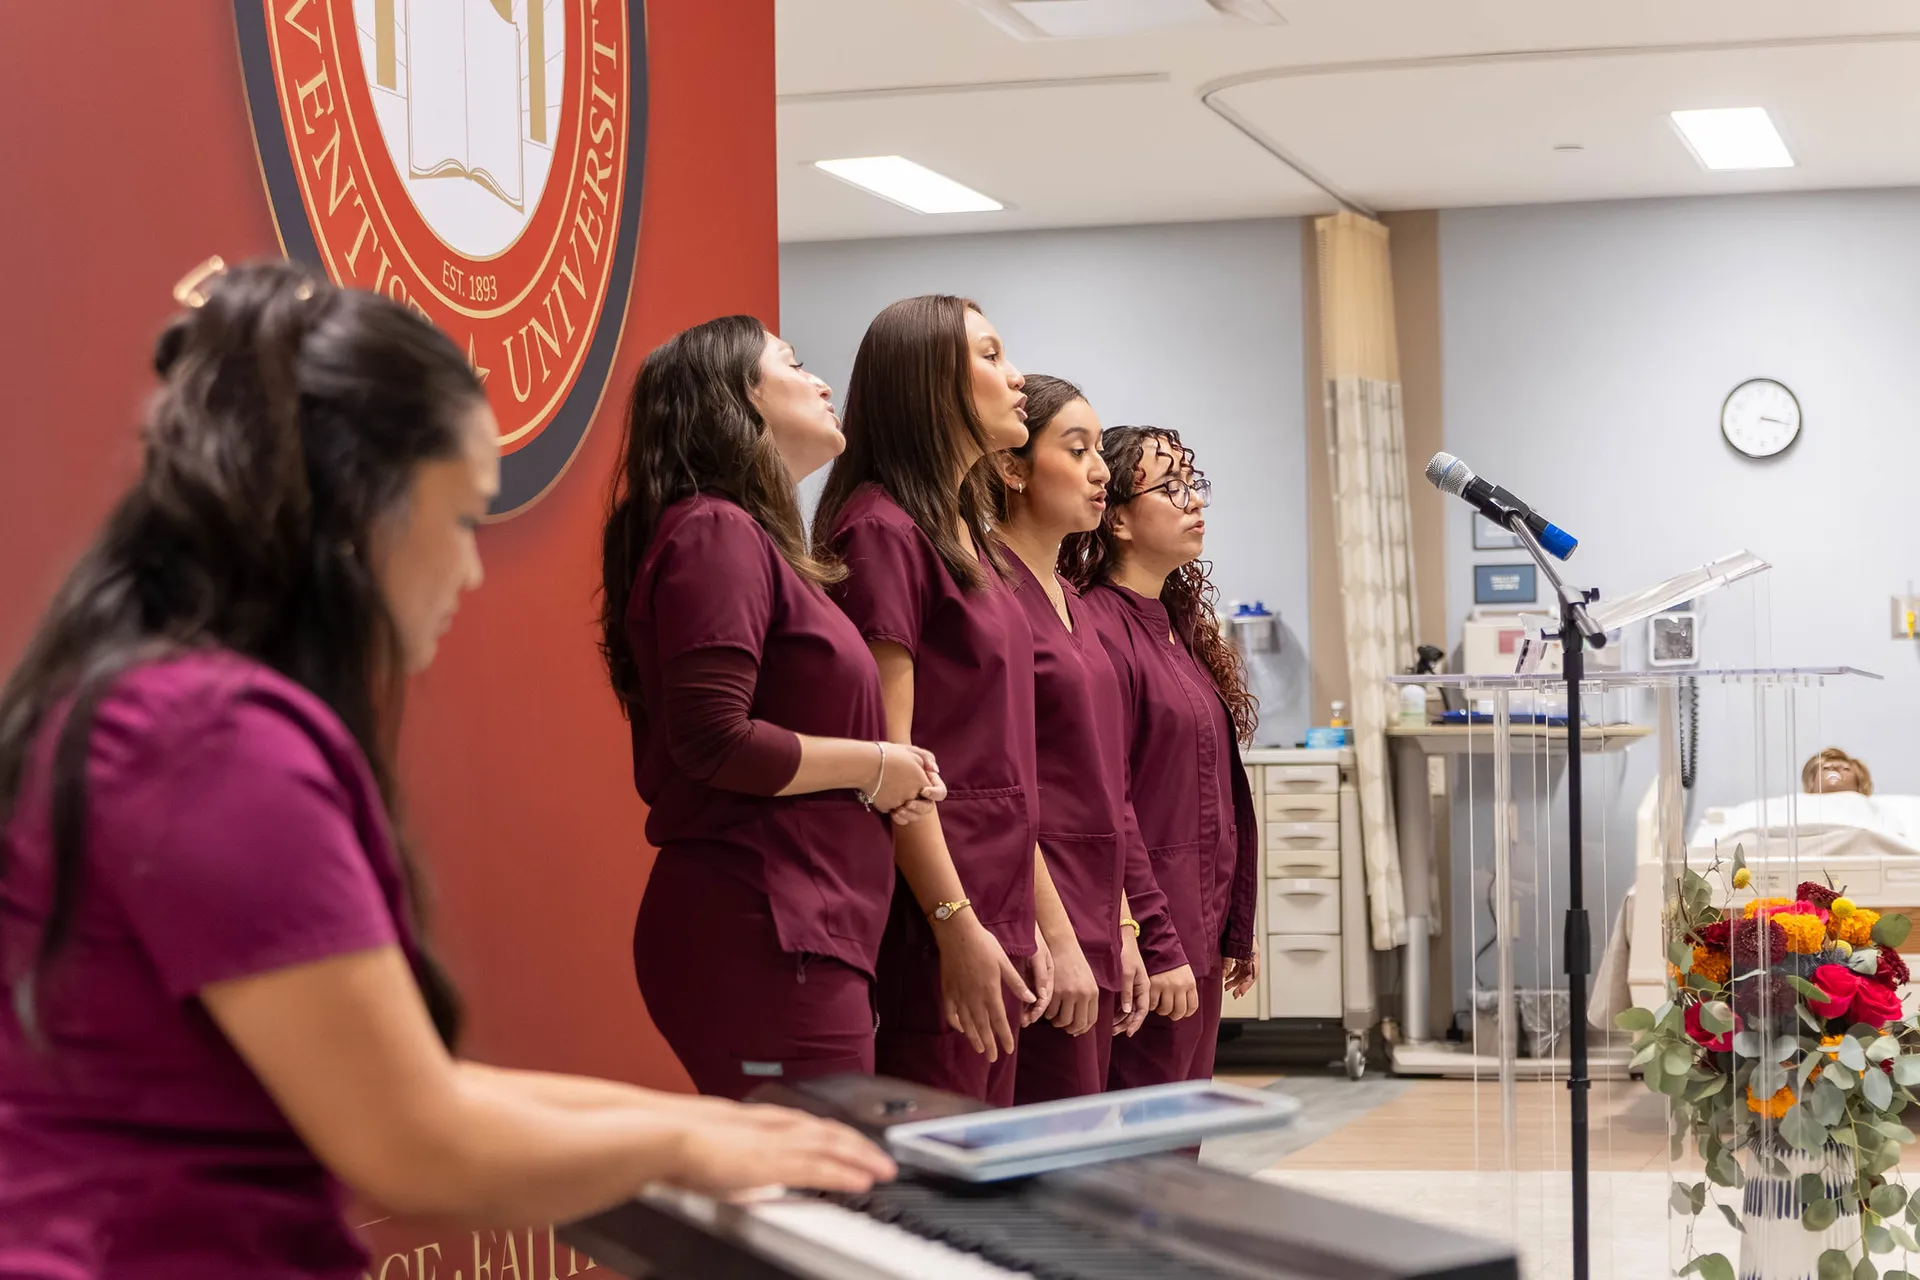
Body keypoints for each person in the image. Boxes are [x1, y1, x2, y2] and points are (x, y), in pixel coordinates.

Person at [0, 261, 892, 1280]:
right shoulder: (213, 743)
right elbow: (416, 1140)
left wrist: (700, 1128)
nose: (468, 568)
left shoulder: (164, 706)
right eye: (462, 517)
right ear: (359, 509)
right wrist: (686, 1143)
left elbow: (418, 1083)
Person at [600, 315, 946, 1099]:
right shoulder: (715, 529)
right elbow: (714, 740)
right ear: (738, 401)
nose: (824, 384)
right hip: (767, 924)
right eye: (794, 365)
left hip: (803, 926)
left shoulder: (752, 539)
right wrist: (876, 765)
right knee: (812, 1195)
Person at [812, 295, 1042, 1105]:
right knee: (941, 1179)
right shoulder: (881, 532)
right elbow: (890, 766)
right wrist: (957, 925)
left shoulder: (964, 533)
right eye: (989, 355)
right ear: (928, 382)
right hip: (935, 912)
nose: (1016, 378)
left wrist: (1019, 920)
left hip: (992, 902)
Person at [1061, 426, 1260, 1088]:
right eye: (1169, 487)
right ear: (1116, 518)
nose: (1193, 502)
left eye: (1191, 484)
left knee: (1178, 1141)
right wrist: (1154, 938)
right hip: (1151, 945)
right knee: (1144, 1151)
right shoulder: (1096, 627)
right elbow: (1108, 805)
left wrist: (1236, 925)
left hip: (1194, 932)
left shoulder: (1173, 627)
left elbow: (1216, 798)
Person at [994, 377, 1163, 1102]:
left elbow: (1108, 783)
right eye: (1077, 448)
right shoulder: (990, 595)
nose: (1101, 470)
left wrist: (1122, 924)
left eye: (1100, 449)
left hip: (1093, 913)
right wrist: (1054, 935)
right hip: (1034, 915)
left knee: (1082, 1145)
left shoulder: (1076, 604)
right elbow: (993, 782)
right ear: (1011, 467)